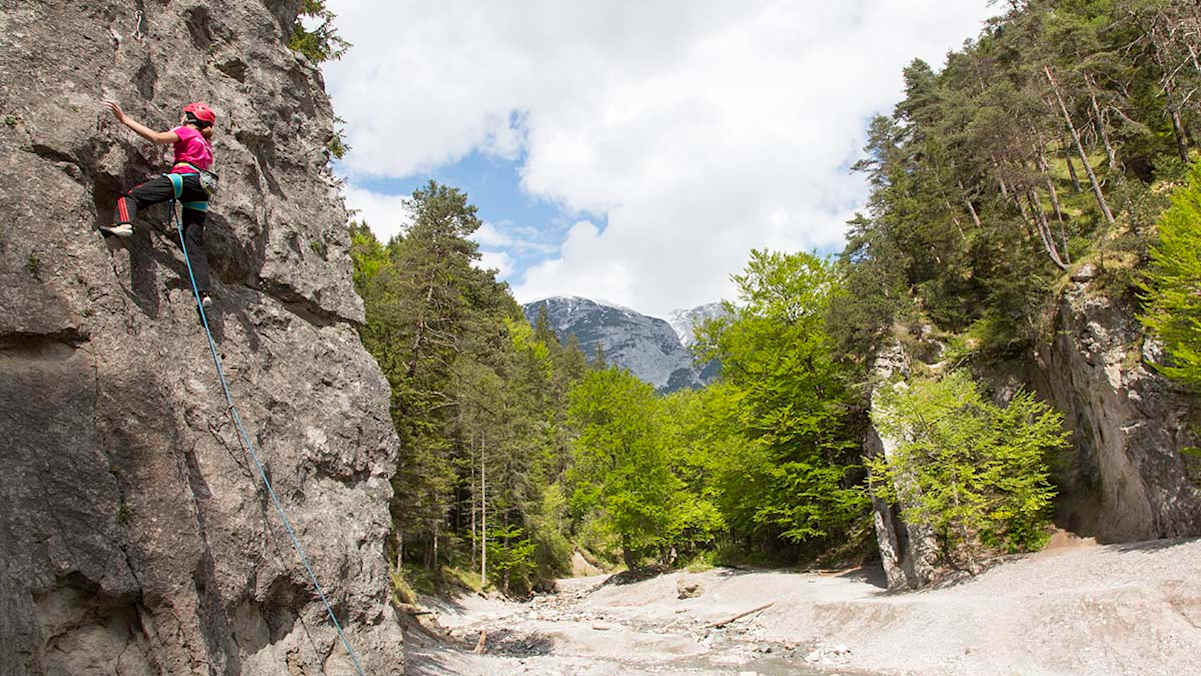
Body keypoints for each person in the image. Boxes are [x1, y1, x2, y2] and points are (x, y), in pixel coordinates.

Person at [101, 101, 217, 308]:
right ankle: (203, 292)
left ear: (191, 118)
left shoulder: (186, 131)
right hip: (202, 187)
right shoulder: (206, 145)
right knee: (193, 241)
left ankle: (125, 224)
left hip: (184, 178)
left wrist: (124, 119)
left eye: (185, 114)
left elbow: (156, 138)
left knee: (132, 197)